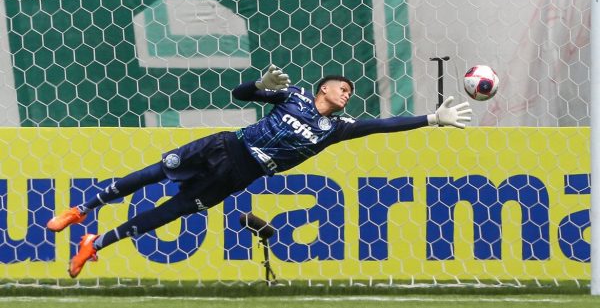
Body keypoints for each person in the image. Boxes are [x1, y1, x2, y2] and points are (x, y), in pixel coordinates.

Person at [47, 65, 472, 278]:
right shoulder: (296, 97)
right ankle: (81, 209)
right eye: (343, 87)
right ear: (324, 88)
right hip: (225, 145)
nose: (348, 93)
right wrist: (259, 87)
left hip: (241, 173)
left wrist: (432, 119)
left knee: (171, 210)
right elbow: (238, 93)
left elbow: (382, 126)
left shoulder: (337, 129)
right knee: (158, 171)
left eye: (350, 92)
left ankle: (95, 243)